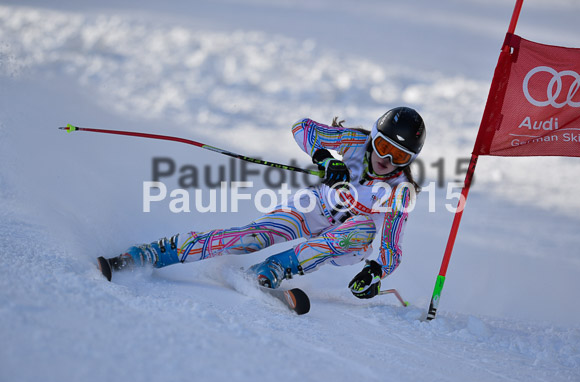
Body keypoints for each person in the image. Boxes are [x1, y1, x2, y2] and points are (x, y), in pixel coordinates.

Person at [97, 106, 426, 299]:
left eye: (399, 155)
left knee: (363, 226)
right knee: (250, 237)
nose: (386, 159)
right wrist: (325, 158)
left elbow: (392, 246)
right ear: (372, 136)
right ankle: (152, 253)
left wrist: (375, 272)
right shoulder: (354, 141)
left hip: (348, 242)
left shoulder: (400, 190)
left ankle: (274, 269)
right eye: (383, 146)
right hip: (313, 209)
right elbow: (303, 128)